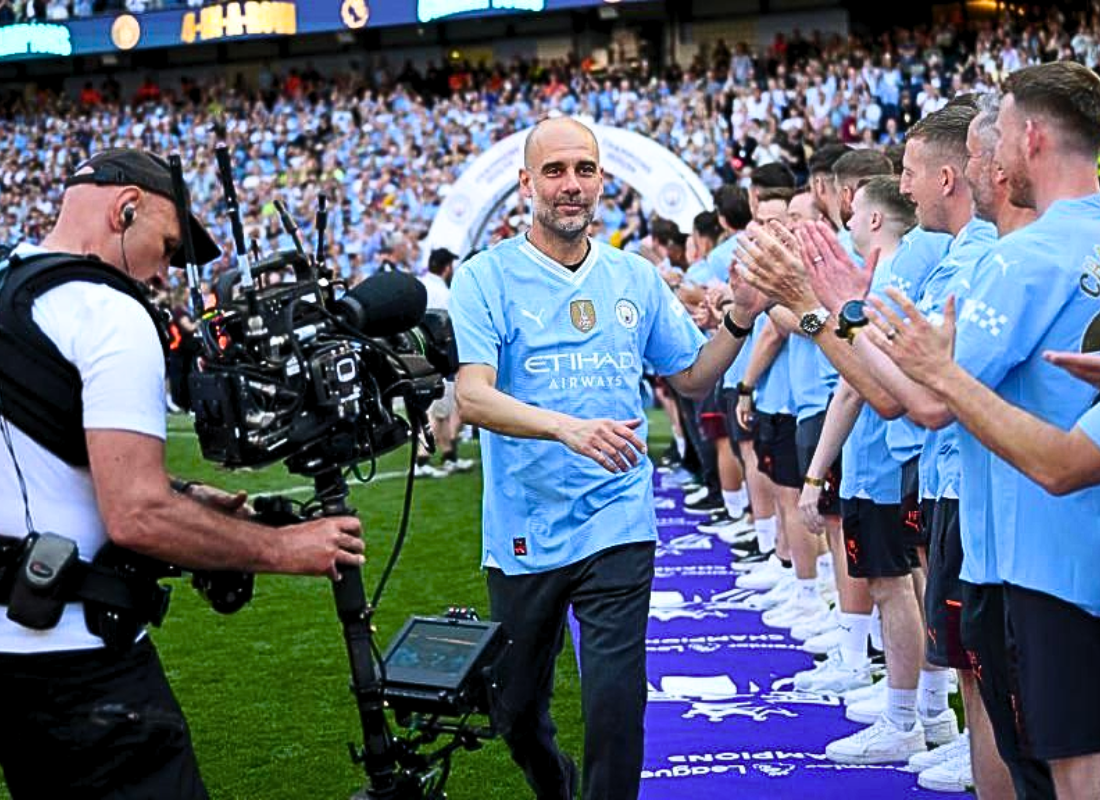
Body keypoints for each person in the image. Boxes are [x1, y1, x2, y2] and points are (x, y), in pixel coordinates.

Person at [0, 149, 365, 798]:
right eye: (167, 247)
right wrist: (283, 548)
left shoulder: (11, 285)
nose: (163, 272)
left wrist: (189, 496)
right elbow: (136, 514)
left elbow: (41, 470)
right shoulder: (109, 311)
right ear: (126, 209)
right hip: (80, 666)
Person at [449, 117, 766, 800]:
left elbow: (688, 376)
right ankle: (556, 784)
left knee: (616, 703)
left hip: (618, 518)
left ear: (602, 182)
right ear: (525, 183)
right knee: (516, 711)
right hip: (525, 531)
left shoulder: (634, 276)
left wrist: (741, 318)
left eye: (585, 170)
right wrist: (566, 429)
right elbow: (472, 397)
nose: (572, 185)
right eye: (556, 171)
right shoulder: (484, 278)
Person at [864, 63, 1100, 800]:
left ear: (1028, 138)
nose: (981, 163)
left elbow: (931, 400)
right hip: (1057, 550)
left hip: (1039, 559)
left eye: (989, 140)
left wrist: (830, 313)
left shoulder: (1023, 257)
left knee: (1063, 767)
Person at [415, 247, 473, 477]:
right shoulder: (443, 294)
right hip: (440, 356)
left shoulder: (422, 287)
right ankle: (421, 459)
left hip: (422, 355)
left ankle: (449, 457)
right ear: (447, 267)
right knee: (436, 412)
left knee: (441, 411)